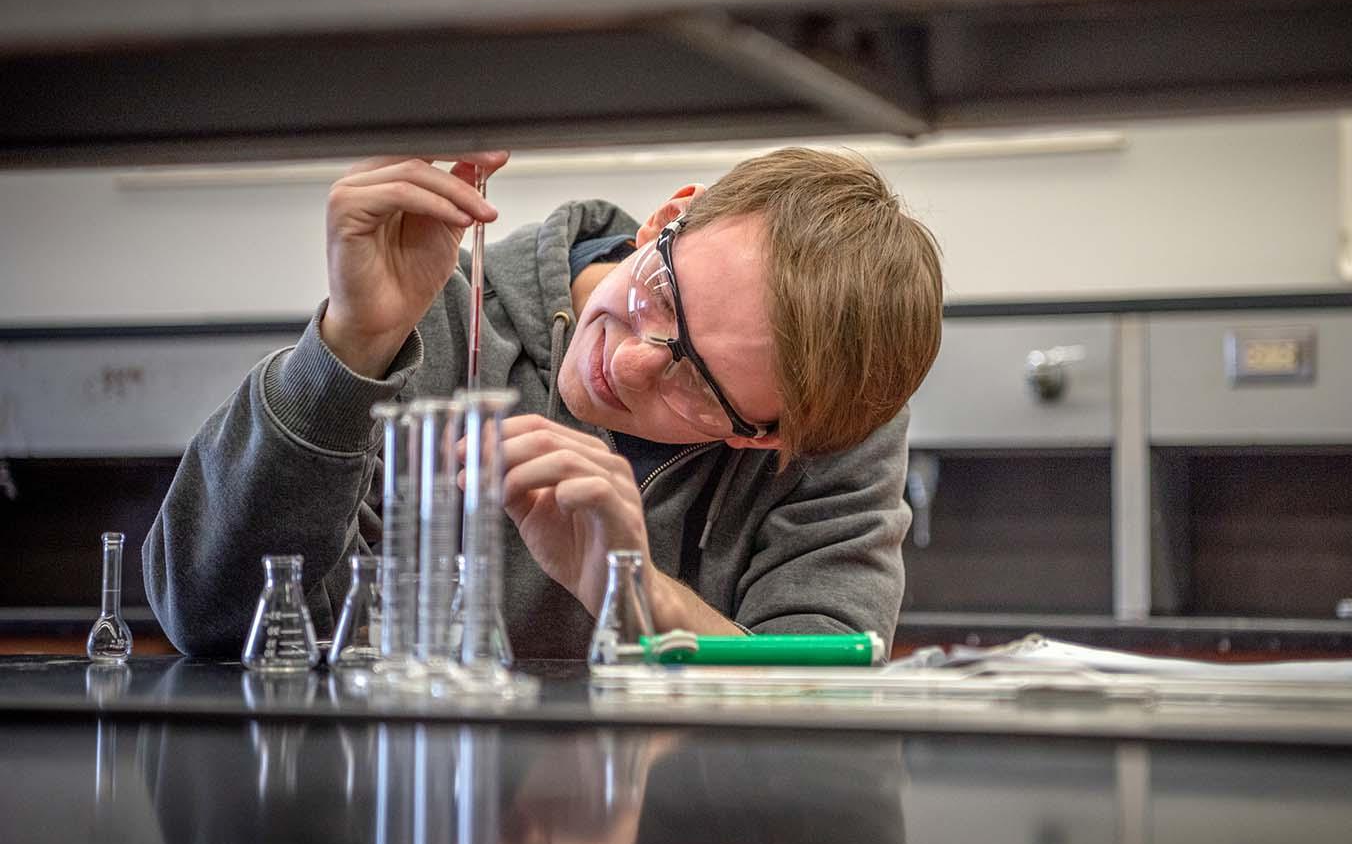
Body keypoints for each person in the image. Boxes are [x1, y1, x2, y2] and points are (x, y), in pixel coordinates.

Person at [143, 147, 944, 659]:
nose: (626, 365)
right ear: (666, 220)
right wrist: (349, 347)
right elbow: (208, 617)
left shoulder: (831, 416)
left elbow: (829, 686)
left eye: (698, 383)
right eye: (664, 294)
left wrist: (631, 590)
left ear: (765, 439)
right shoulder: (437, 312)